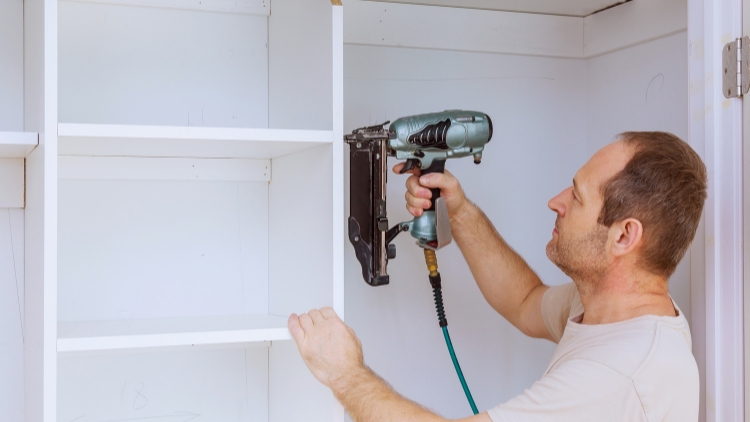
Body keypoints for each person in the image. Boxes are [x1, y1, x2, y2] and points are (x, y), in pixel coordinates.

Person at [288, 131, 706, 422]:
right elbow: (524, 300)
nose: (555, 202)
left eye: (576, 197)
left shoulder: (622, 374)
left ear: (625, 236)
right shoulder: (609, 310)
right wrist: (460, 209)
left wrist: (344, 372)